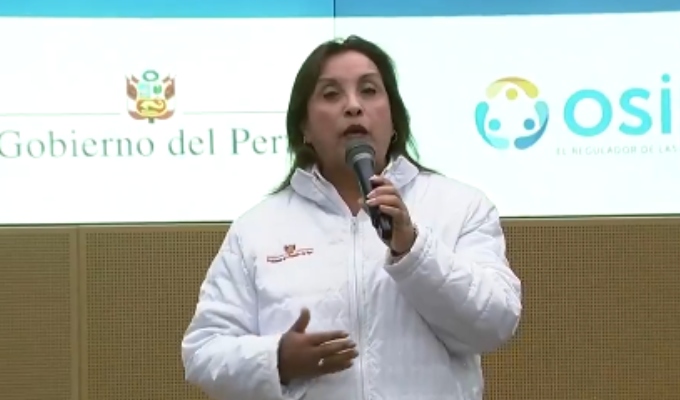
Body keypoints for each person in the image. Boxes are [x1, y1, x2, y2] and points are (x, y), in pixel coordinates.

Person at [181, 35, 522, 400]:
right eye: (331, 94)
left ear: (394, 120)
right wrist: (276, 360)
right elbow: (203, 352)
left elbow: (495, 324)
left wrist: (413, 248)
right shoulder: (257, 229)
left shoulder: (460, 206)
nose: (354, 106)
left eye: (369, 91)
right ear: (304, 128)